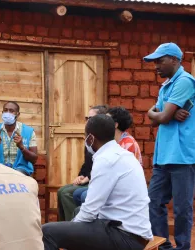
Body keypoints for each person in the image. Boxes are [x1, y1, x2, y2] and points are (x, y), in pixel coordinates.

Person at [42, 115, 153, 250]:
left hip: (125, 237)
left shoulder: (106, 160)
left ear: (91, 138)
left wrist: (69, 234)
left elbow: (90, 210)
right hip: (135, 234)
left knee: (47, 232)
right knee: (77, 212)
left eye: (85, 136)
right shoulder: (122, 154)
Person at [145, 43, 195, 250]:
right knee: (154, 202)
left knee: (182, 208)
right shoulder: (165, 85)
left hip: (182, 154)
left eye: (160, 60)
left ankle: (183, 247)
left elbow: (162, 116)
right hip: (163, 154)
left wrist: (162, 113)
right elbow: (155, 120)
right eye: (154, 61)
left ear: (175, 59)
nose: (156, 65)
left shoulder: (185, 81)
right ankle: (163, 246)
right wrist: (157, 113)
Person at [72, 106, 143, 208]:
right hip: (109, 183)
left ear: (115, 125)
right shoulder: (111, 140)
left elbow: (115, 172)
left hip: (122, 188)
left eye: (107, 119)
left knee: (85, 196)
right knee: (78, 194)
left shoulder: (128, 144)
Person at [57, 105, 108, 221]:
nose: (87, 121)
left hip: (96, 180)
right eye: (86, 118)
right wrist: (81, 175)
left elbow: (102, 166)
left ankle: (73, 225)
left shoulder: (103, 139)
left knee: (67, 193)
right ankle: (64, 224)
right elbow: (87, 164)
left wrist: (88, 178)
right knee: (61, 191)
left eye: (90, 118)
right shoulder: (89, 139)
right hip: (88, 178)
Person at [0, 101, 38, 176]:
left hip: (21, 171)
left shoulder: (29, 132)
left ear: (17, 114)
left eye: (11, 111)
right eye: (5, 110)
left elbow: (34, 159)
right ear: (2, 113)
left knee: (17, 174)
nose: (8, 113)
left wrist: (22, 147)